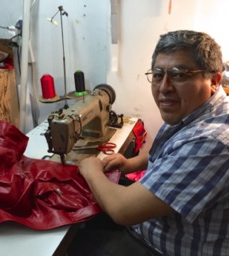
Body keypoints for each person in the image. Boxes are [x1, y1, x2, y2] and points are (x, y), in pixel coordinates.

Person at [67, 30, 229, 256]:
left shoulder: (214, 141)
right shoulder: (195, 111)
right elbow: (172, 151)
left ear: (214, 80)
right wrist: (131, 163)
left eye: (179, 75)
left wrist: (89, 167)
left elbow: (122, 210)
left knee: (73, 243)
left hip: (160, 247)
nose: (164, 87)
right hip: (156, 226)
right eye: (158, 74)